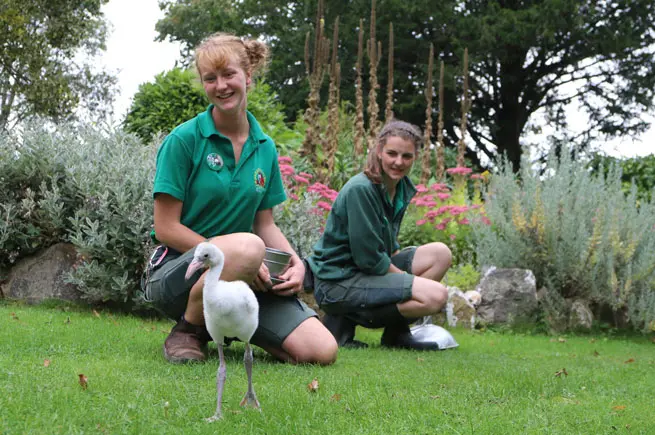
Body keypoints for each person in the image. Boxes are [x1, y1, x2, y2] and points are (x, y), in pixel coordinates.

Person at [142, 32, 337, 365]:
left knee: (321, 350)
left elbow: (265, 223)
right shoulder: (185, 140)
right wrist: (230, 257)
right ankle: (189, 330)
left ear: (248, 76)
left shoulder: (265, 148)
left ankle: (230, 324)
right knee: (247, 248)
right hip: (177, 272)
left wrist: (296, 262)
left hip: (242, 273)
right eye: (210, 78)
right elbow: (165, 227)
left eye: (229, 74)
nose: (221, 85)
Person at [306, 120, 452, 351]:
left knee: (440, 255)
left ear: (415, 157)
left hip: (366, 274)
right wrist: (407, 282)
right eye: (391, 153)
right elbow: (370, 259)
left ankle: (396, 334)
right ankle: (344, 317)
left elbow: (389, 248)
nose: (398, 162)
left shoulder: (400, 187)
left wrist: (404, 282)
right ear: (378, 151)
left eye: (407, 156)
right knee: (435, 296)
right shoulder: (361, 189)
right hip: (338, 282)